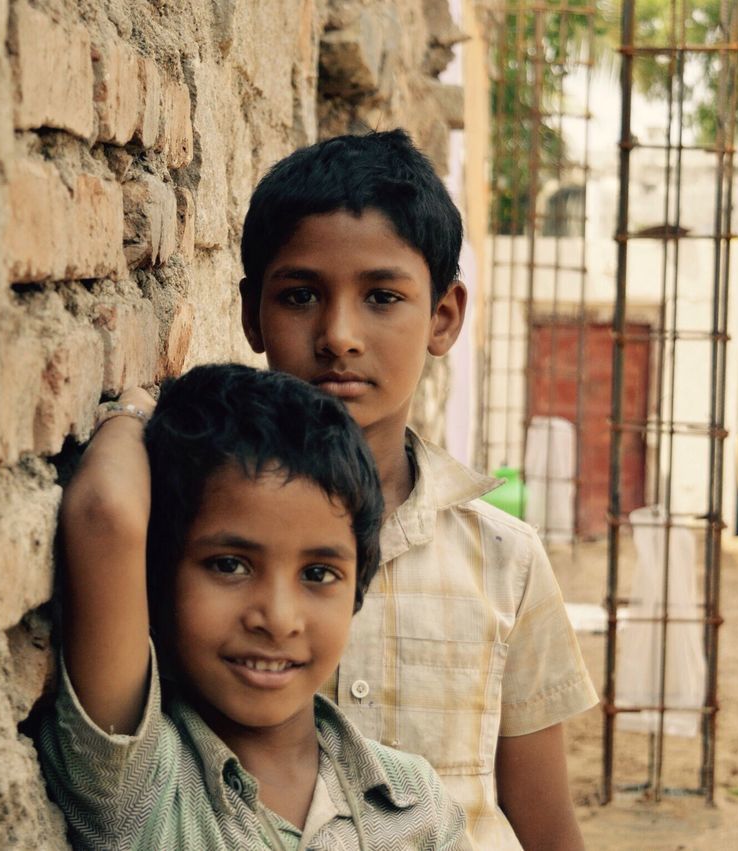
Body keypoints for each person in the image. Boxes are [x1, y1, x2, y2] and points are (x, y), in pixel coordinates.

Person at [239, 130, 598, 850]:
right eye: (302, 294)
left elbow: (544, 825)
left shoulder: (508, 562)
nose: (339, 334)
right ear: (253, 314)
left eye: (382, 296)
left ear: (443, 316)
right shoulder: (199, 542)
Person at [36, 363, 469, 850]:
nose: (278, 619)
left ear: (358, 588)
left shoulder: (412, 803)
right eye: (229, 565)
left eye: (318, 574)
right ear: (157, 578)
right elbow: (106, 513)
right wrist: (134, 413)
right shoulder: (141, 787)